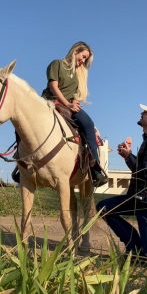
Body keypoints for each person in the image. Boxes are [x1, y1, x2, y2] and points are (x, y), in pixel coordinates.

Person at [97, 102, 147, 261]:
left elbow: (146, 173)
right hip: (139, 199)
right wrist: (128, 156)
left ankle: (145, 253)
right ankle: (135, 249)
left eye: (146, 112)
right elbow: (144, 170)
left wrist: (129, 157)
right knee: (104, 208)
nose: (142, 113)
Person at [42, 41, 108, 187]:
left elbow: (74, 93)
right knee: (28, 119)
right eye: (83, 57)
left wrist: (75, 102)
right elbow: (53, 87)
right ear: (75, 51)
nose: (83, 61)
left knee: (89, 124)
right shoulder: (57, 64)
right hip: (51, 102)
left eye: (85, 59)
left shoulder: (78, 75)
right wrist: (67, 103)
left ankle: (95, 168)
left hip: (70, 105)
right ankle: (20, 161)